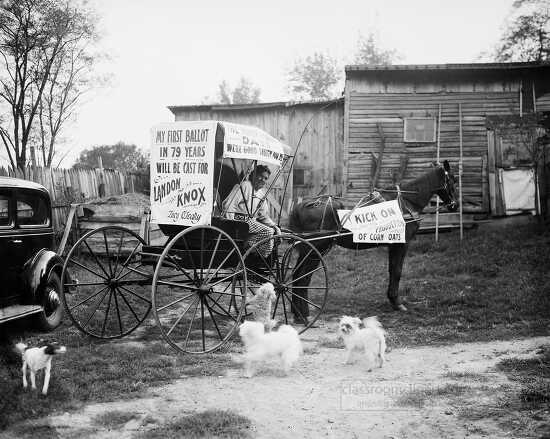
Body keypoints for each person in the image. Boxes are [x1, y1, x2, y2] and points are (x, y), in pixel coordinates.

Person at [222, 164, 281, 256]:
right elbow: (228, 205)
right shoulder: (244, 186)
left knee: (274, 232)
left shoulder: (261, 193)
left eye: (265, 178)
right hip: (239, 221)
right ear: (254, 176)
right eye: (260, 176)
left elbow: (263, 215)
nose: (262, 180)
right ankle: (247, 248)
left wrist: (274, 226)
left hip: (250, 223)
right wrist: (231, 223)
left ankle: (262, 258)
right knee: (268, 231)